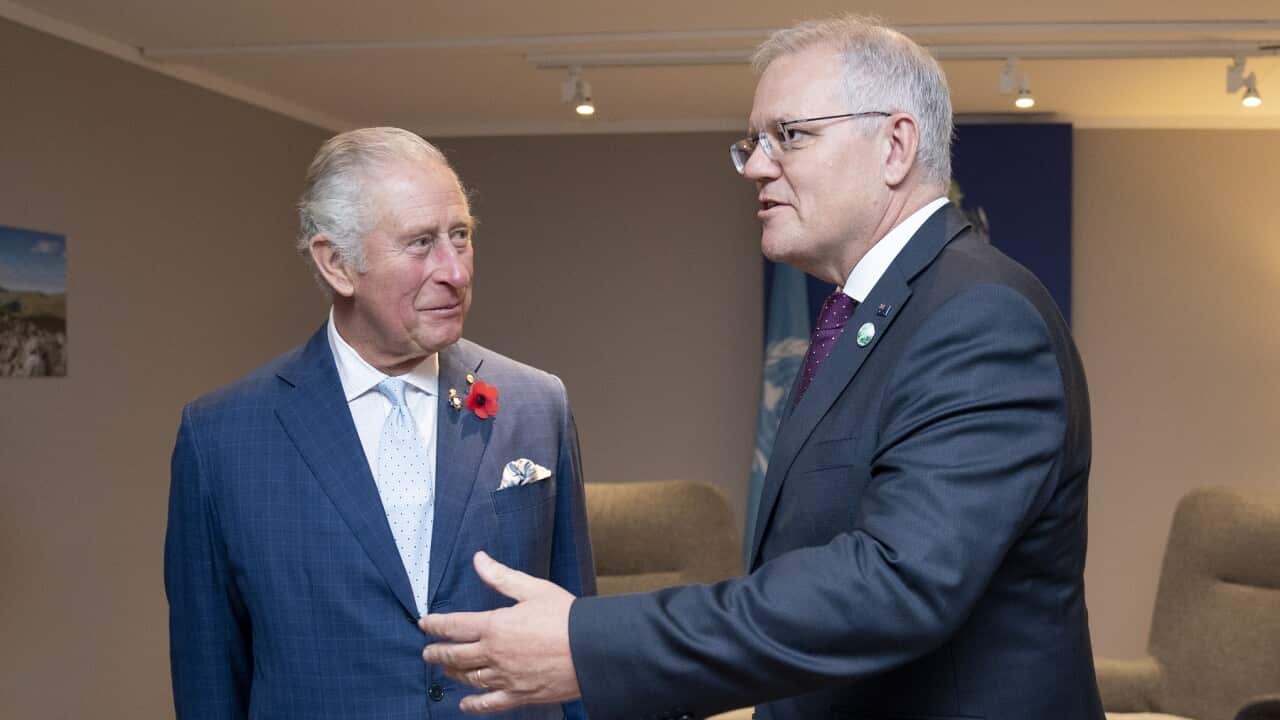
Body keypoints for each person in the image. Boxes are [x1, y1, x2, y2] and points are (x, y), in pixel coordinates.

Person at [421, 15, 1103, 720]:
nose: (754, 165)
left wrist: (587, 644)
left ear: (895, 145)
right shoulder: (871, 315)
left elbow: (892, 587)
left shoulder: (977, 317)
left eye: (790, 135)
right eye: (753, 142)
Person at [165, 127, 594, 720]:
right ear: (338, 263)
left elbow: (575, 642)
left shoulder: (537, 404)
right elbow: (209, 679)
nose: (456, 272)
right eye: (420, 243)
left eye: (460, 236)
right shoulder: (222, 438)